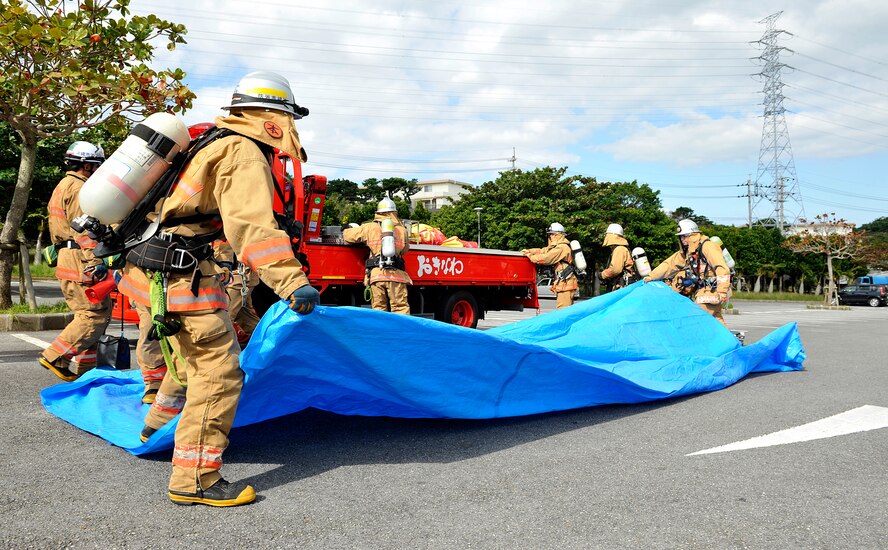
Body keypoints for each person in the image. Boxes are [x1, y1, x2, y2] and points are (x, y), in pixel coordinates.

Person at [117, 71, 320, 507]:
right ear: (272, 117)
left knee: (188, 360)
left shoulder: (208, 140)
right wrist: (293, 283)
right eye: (288, 118)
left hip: (148, 271)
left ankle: (155, 427)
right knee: (219, 373)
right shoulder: (244, 152)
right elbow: (252, 227)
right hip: (180, 277)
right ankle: (196, 479)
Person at [39, 141, 111, 382]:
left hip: (67, 257)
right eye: (96, 165)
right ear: (87, 165)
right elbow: (86, 231)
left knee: (93, 312)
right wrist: (94, 262)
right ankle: (54, 356)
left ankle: (85, 372)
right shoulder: (81, 190)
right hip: (80, 258)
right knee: (93, 315)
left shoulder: (63, 185)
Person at [644, 219, 731, 325]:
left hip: (711, 293)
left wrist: (722, 291)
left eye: (684, 236)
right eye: (681, 236)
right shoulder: (689, 252)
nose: (682, 239)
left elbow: (722, 268)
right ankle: (732, 341)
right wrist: (651, 276)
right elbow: (669, 265)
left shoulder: (707, 246)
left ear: (693, 235)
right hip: (705, 292)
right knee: (716, 324)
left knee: (695, 321)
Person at [342, 197, 412, 314]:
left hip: (377, 275)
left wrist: (345, 229)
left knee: (379, 310)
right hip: (397, 275)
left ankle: (381, 331)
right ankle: (402, 331)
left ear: (378, 213)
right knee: (400, 308)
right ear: (394, 212)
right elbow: (405, 250)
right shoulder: (402, 230)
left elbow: (348, 237)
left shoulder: (370, 227)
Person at [213, 239, 261, 345]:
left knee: (222, 320)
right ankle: (270, 349)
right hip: (236, 275)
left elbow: (223, 241)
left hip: (236, 275)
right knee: (246, 318)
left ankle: (218, 355)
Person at [522, 222, 578, 309]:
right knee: (566, 311)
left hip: (565, 284)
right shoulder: (557, 246)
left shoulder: (562, 247)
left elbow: (546, 258)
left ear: (557, 235)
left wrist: (530, 256)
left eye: (551, 234)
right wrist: (529, 251)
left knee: (562, 312)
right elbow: (543, 251)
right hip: (564, 283)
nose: (550, 237)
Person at [598, 223, 635, 291]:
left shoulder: (619, 249)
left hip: (621, 286)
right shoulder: (622, 248)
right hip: (623, 285)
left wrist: (602, 275)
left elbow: (615, 270)